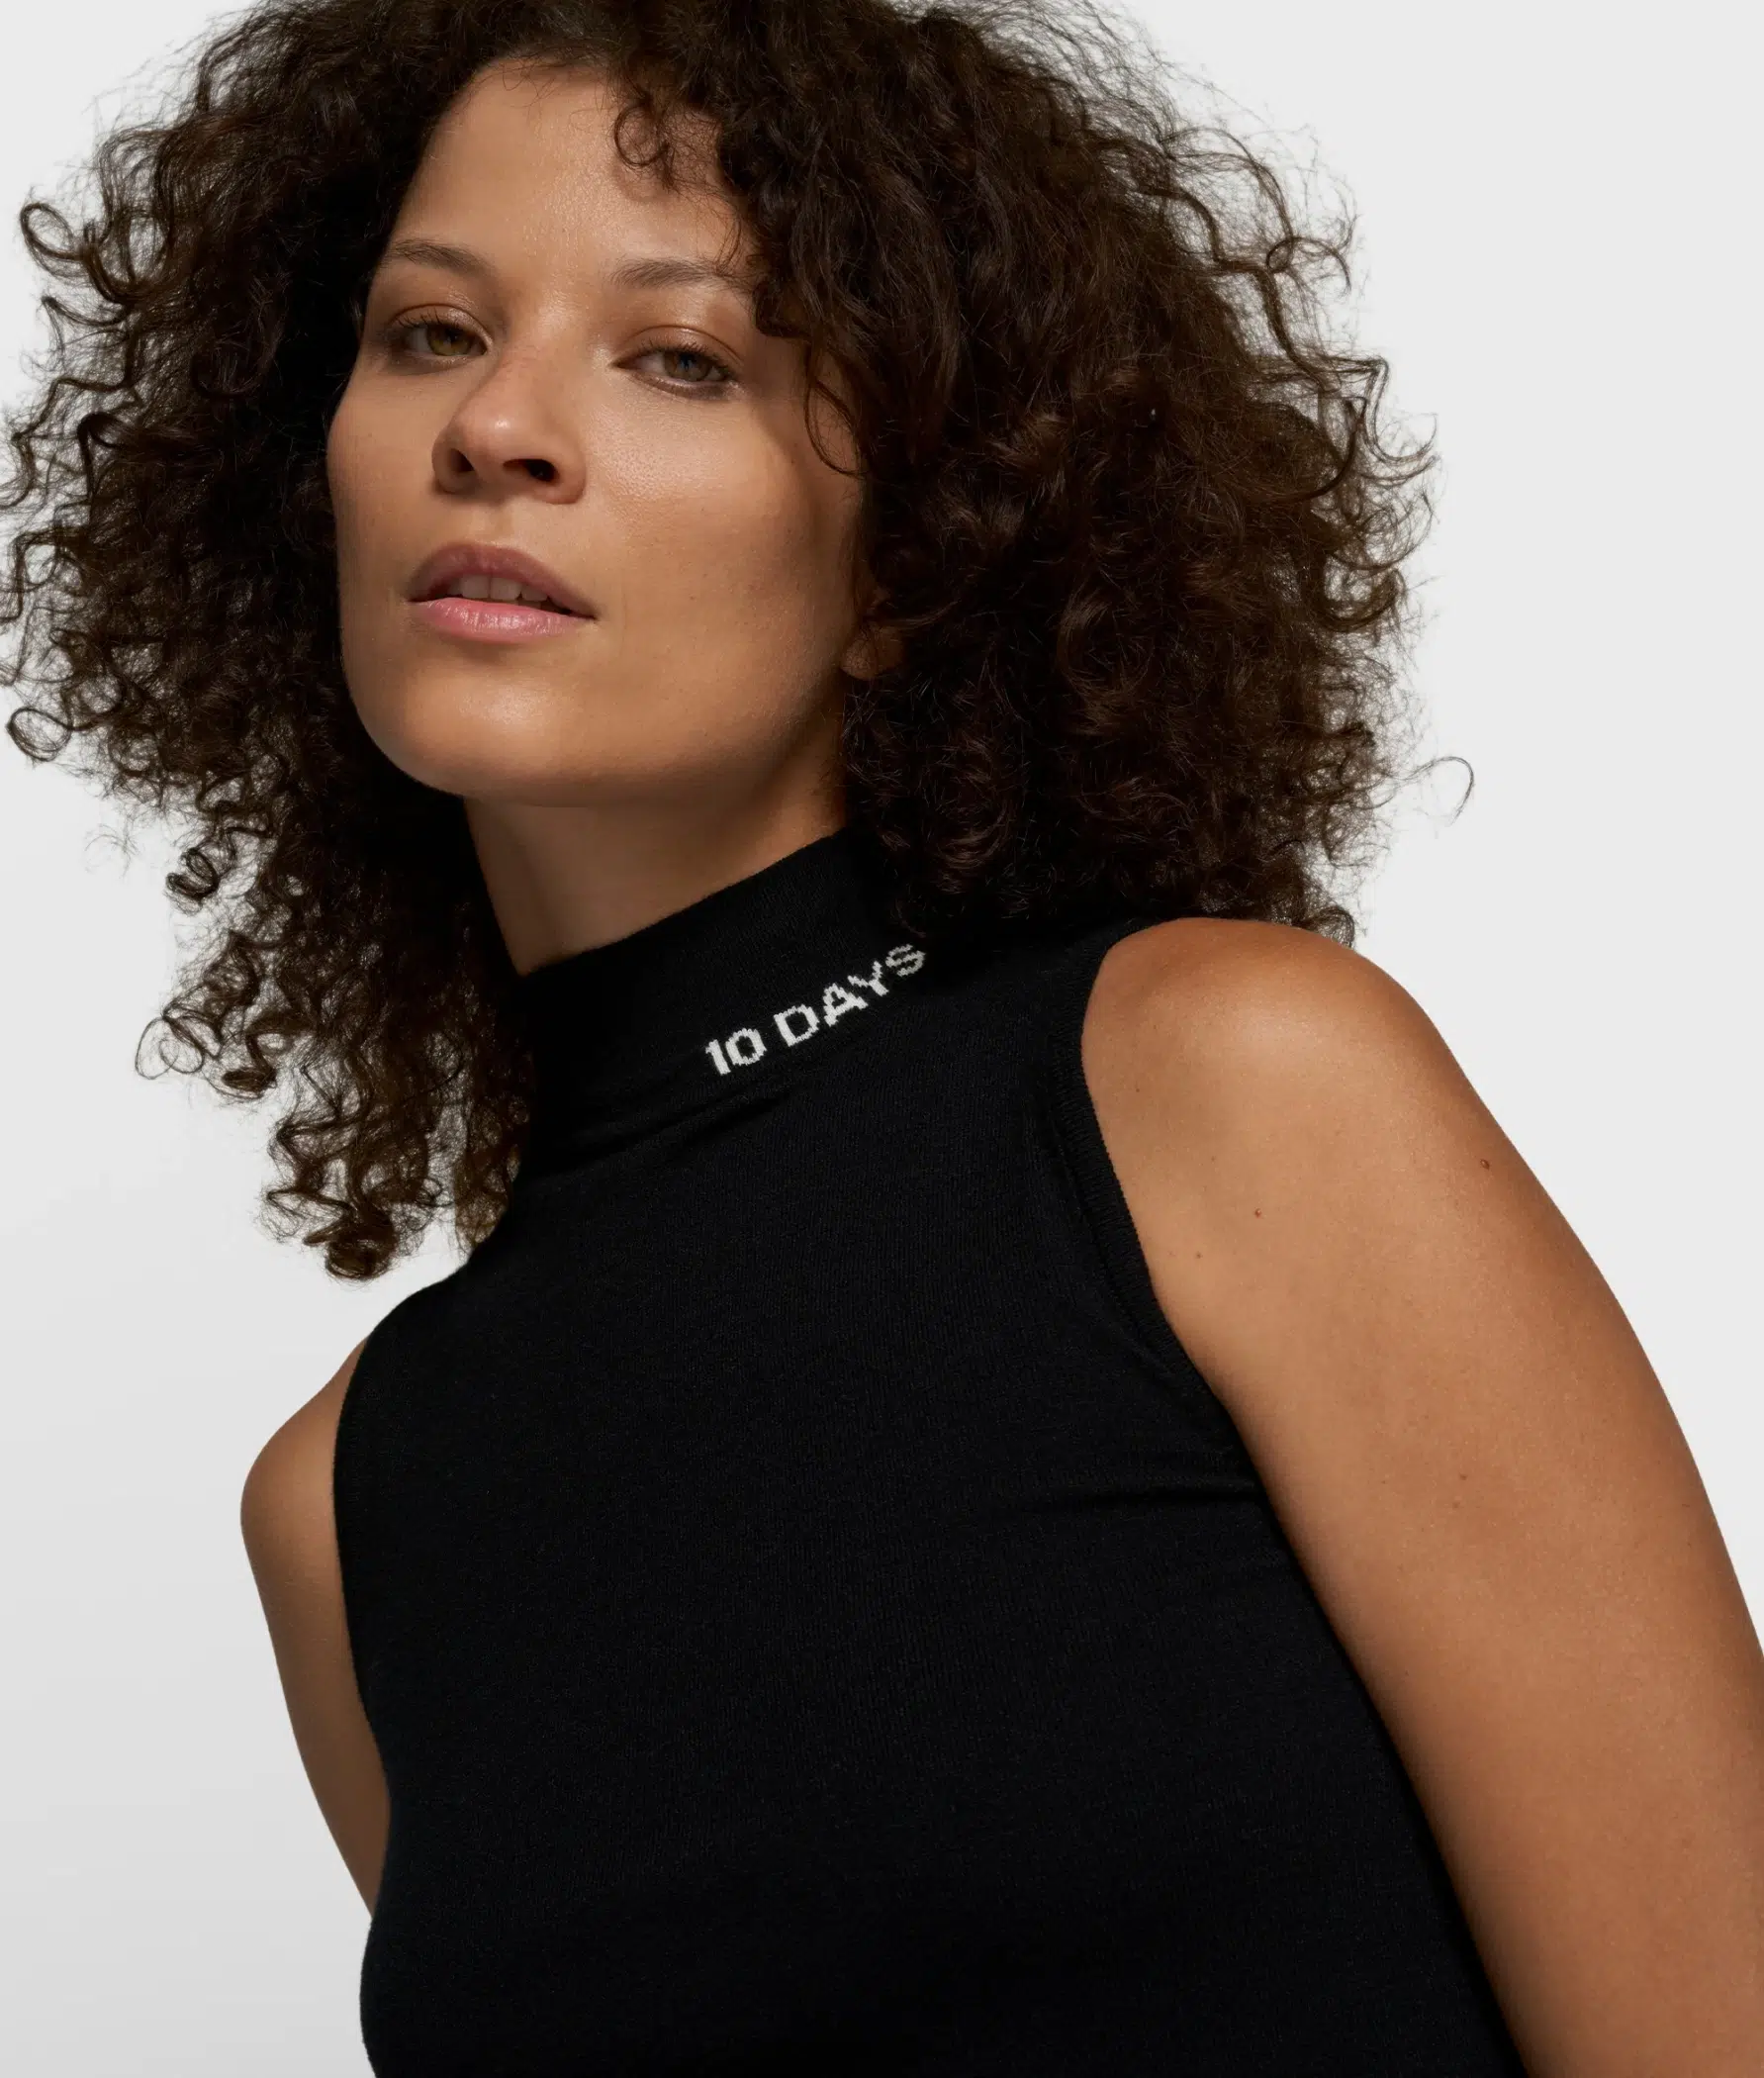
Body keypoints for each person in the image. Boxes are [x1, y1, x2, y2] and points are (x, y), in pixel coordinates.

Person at [4, 0, 1761, 2071]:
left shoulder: (1221, 1090)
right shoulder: (344, 1507)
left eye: (682, 356)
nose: (499, 426)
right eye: (431, 332)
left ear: (919, 554)